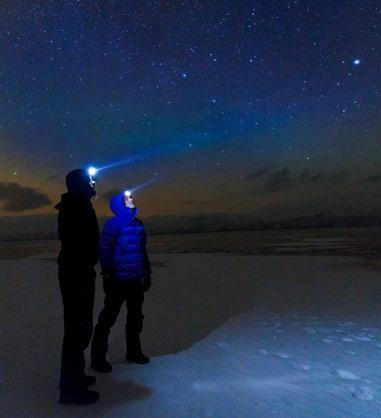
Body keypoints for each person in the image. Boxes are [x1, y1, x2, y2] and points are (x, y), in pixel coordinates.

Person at [90, 190, 151, 373]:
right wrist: (108, 274)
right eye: (127, 198)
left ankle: (134, 351)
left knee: (135, 317)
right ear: (119, 205)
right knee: (108, 318)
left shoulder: (138, 224)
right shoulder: (114, 225)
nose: (131, 199)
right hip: (118, 280)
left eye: (131, 197)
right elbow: (105, 249)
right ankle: (98, 358)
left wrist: (146, 274)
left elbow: (142, 252)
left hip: (135, 280)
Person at [55, 169, 100, 405]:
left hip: (78, 271)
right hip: (76, 273)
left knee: (80, 326)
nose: (93, 184)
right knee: (77, 328)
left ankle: (74, 378)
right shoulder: (76, 207)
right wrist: (87, 261)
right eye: (89, 181)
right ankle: (71, 389)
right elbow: (77, 242)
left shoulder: (78, 204)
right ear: (79, 184)